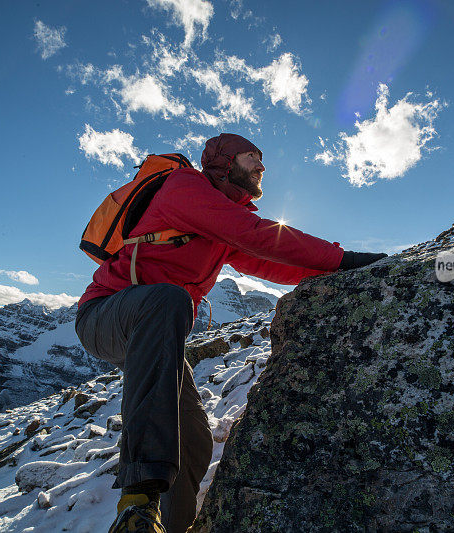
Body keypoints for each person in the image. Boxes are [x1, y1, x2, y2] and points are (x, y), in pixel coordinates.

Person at [74, 133, 387, 533]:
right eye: (252, 157)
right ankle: (138, 501)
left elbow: (268, 259)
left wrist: (338, 270)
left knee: (194, 441)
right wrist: (345, 258)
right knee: (168, 300)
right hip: (104, 316)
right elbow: (256, 233)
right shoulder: (185, 189)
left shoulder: (218, 218)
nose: (262, 166)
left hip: (152, 331)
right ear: (224, 164)